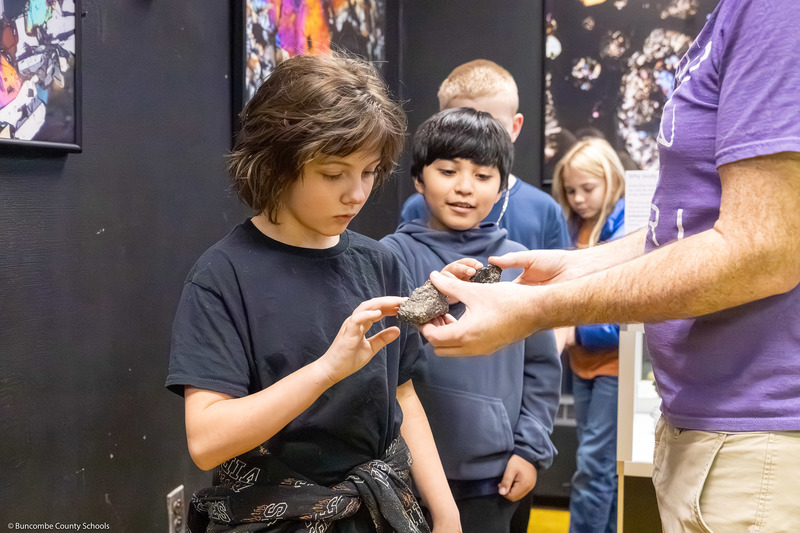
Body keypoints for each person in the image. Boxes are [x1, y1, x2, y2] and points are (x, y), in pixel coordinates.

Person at [416, 1, 800, 530]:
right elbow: (694, 224)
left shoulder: (778, 14)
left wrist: (540, 307)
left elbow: (764, 246)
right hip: (710, 422)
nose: (463, 187)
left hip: (758, 430)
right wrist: (579, 267)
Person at [165, 53, 461, 533]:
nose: (357, 193)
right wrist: (326, 371)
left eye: (369, 172)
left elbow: (402, 395)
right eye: (333, 174)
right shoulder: (223, 276)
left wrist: (445, 511)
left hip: (383, 513)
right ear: (278, 163)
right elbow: (207, 439)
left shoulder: (380, 261)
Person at [381, 107, 562, 533]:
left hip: (494, 475)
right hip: (405, 471)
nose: (465, 188)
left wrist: (530, 451)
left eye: (483, 176)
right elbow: (380, 363)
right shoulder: (388, 256)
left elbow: (540, 365)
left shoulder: (518, 263)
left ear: (502, 187)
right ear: (419, 178)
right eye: (447, 171)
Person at [400, 59, 571, 252]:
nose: (478, 136)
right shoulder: (417, 206)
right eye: (462, 125)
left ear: (515, 127)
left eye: (493, 126)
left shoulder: (544, 210)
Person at [551, 138, 626, 533]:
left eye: (587, 189)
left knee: (593, 467)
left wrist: (572, 333)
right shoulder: (572, 226)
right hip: (581, 368)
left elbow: (626, 313)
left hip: (616, 368)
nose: (578, 198)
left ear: (611, 179)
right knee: (599, 464)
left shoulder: (627, 228)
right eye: (571, 190)